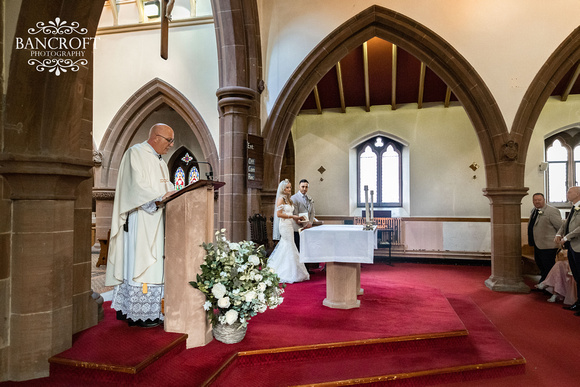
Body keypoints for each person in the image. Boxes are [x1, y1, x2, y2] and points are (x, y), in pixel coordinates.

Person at [105, 123, 177, 327]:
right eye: (168, 140)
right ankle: (137, 312)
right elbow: (135, 186)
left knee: (155, 265)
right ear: (155, 137)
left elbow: (167, 186)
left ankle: (154, 310)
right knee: (142, 263)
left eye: (172, 141)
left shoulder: (160, 161)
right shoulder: (135, 153)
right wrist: (159, 197)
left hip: (158, 218)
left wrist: (174, 193)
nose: (171, 145)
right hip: (141, 217)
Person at [267, 179, 310, 283]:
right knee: (288, 245)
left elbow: (291, 213)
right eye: (287, 188)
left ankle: (293, 270)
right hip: (284, 225)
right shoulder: (281, 199)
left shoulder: (288, 199)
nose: (289, 189)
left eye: (290, 187)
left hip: (290, 224)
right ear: (282, 189)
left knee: (290, 245)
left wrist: (296, 218)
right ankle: (286, 271)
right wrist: (292, 216)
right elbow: (278, 214)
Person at [527, 193, 563, 287]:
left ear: (544, 200)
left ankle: (550, 287)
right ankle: (544, 282)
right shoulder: (534, 211)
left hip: (548, 245)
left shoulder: (552, 211)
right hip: (537, 243)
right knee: (540, 264)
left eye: (539, 199)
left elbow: (560, 227)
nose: (537, 201)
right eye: (535, 200)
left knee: (548, 266)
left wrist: (559, 238)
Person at [555, 186, 580, 315]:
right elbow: (566, 223)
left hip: (578, 246)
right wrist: (558, 234)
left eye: (570, 192)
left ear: (577, 194)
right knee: (576, 275)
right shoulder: (574, 206)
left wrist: (567, 237)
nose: (567, 193)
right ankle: (579, 302)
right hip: (572, 246)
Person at [291, 179, 316, 251]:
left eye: (306, 187)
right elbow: (295, 213)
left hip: (307, 227)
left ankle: (304, 262)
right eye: (303, 186)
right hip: (298, 227)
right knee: (298, 248)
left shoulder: (309, 198)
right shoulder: (294, 198)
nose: (304, 189)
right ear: (299, 187)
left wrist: (310, 223)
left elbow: (312, 212)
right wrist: (305, 224)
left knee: (305, 248)